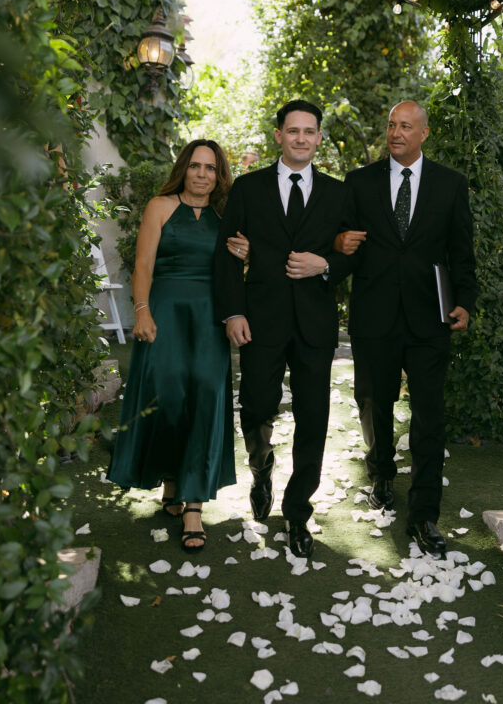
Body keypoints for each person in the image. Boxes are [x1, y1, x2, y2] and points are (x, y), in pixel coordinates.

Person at [336, 101, 477, 556]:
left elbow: (462, 252)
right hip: (374, 316)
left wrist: (465, 303)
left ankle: (425, 515)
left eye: (405, 126)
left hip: (429, 318)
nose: (396, 133)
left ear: (424, 134)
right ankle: (380, 474)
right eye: (391, 125)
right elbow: (344, 244)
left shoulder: (451, 185)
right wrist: (338, 243)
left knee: (429, 415)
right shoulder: (358, 183)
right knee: (373, 401)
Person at [214, 100, 352, 558]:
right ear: (278, 136)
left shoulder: (337, 193)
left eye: (309, 132)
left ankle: (297, 512)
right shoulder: (249, 189)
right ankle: (260, 464)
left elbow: (357, 249)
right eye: (292, 131)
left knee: (314, 419)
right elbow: (227, 255)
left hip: (315, 324)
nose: (301, 139)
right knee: (255, 406)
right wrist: (233, 312)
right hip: (260, 319)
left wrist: (326, 264)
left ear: (318, 138)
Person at [108, 140, 238, 553]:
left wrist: (246, 254)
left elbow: (236, 268)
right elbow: (143, 264)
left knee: (206, 394)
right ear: (184, 169)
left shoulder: (227, 215)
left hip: (209, 317)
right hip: (163, 310)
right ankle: (171, 481)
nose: (203, 174)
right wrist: (142, 311)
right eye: (196, 166)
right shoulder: (159, 207)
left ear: (219, 175)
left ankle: (194, 505)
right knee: (168, 397)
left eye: (211, 168)